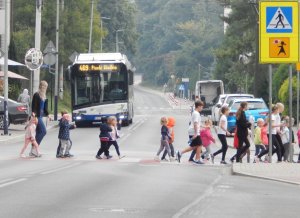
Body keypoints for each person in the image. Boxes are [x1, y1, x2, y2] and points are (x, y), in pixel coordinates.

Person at [177, 100, 204, 164]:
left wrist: (204, 126)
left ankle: (180, 153)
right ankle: (197, 159)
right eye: (202, 107)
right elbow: (195, 123)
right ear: (198, 106)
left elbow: (197, 123)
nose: (202, 108)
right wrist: (196, 133)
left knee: (195, 146)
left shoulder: (195, 113)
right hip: (193, 131)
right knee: (200, 145)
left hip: (193, 131)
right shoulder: (196, 113)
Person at [30, 80, 50, 157]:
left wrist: (48, 114)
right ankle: (34, 148)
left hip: (41, 116)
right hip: (37, 116)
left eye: (46, 86)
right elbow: (34, 106)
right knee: (43, 131)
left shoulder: (44, 96)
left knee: (38, 132)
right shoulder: (36, 95)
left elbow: (45, 108)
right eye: (43, 86)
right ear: (40, 86)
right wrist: (33, 113)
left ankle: (33, 150)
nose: (44, 88)